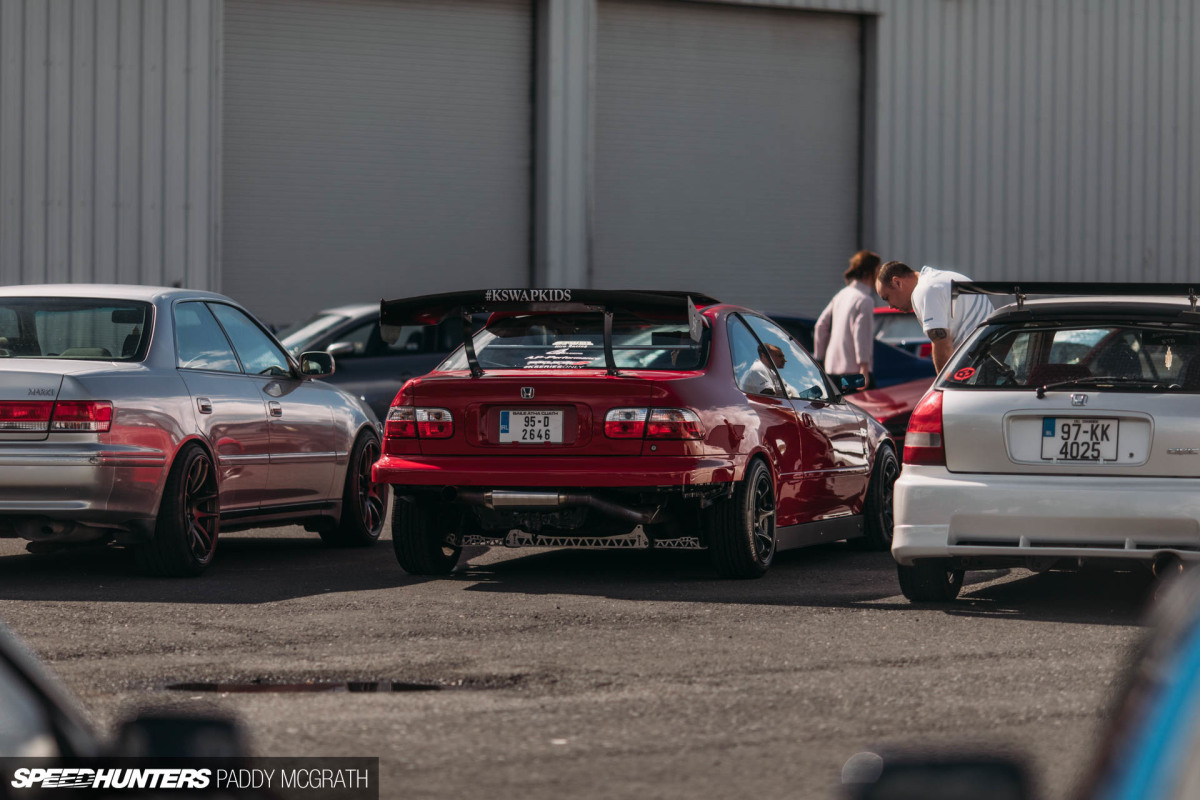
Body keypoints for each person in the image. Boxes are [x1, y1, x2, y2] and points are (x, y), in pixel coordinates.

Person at [875, 261, 993, 372]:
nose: (890, 306)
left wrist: (944, 388)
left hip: (982, 366)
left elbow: (942, 344)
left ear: (897, 282)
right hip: (994, 356)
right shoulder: (940, 278)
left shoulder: (924, 291)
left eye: (887, 298)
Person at [814, 250, 881, 389]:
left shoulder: (841, 295)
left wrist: (819, 359)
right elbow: (861, 334)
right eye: (878, 270)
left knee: (839, 409)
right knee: (866, 408)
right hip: (854, 372)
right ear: (870, 272)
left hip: (831, 370)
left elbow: (821, 325)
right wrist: (864, 366)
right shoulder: (865, 300)